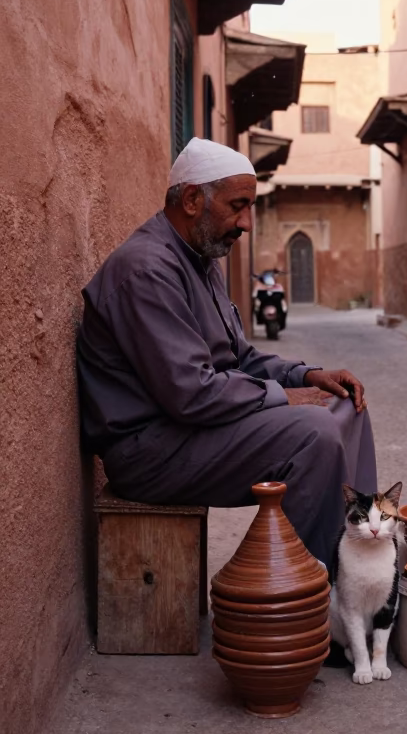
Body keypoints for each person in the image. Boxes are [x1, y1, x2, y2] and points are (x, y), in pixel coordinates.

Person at [77, 138, 376, 566]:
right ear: (194, 199)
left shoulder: (201, 260)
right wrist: (282, 397)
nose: (247, 223)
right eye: (238, 206)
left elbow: (240, 359)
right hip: (150, 452)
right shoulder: (146, 270)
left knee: (347, 405)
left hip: (190, 431)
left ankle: (360, 562)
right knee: (314, 432)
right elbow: (192, 393)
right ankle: (304, 591)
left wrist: (307, 376)